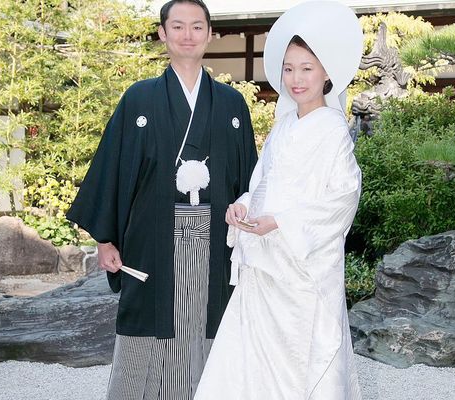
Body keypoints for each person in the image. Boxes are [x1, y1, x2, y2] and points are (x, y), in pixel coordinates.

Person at [65, 0, 257, 398]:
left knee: (210, 324)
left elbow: (250, 181)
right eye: (178, 26)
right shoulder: (139, 99)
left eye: (197, 27)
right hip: (151, 240)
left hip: (216, 242)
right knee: (148, 325)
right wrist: (105, 240)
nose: (188, 35)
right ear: (162, 34)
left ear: (210, 34)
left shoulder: (231, 104)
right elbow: (112, 169)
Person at [194, 1, 364, 399]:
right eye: (288, 69)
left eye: (307, 68)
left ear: (326, 73)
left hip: (302, 265)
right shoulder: (284, 125)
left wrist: (282, 222)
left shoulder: (333, 130)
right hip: (264, 259)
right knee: (250, 359)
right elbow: (264, 182)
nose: (296, 79)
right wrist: (243, 205)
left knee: (300, 359)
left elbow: (343, 198)